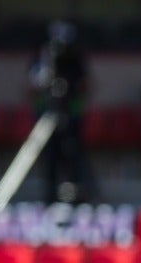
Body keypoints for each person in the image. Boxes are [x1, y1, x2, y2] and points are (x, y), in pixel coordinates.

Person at [29, 19, 94, 204]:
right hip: (48, 113)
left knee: (72, 154)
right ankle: (50, 196)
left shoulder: (75, 60)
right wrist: (47, 64)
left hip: (71, 115)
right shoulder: (42, 59)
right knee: (50, 158)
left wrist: (73, 100)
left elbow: (85, 85)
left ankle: (77, 195)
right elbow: (35, 84)